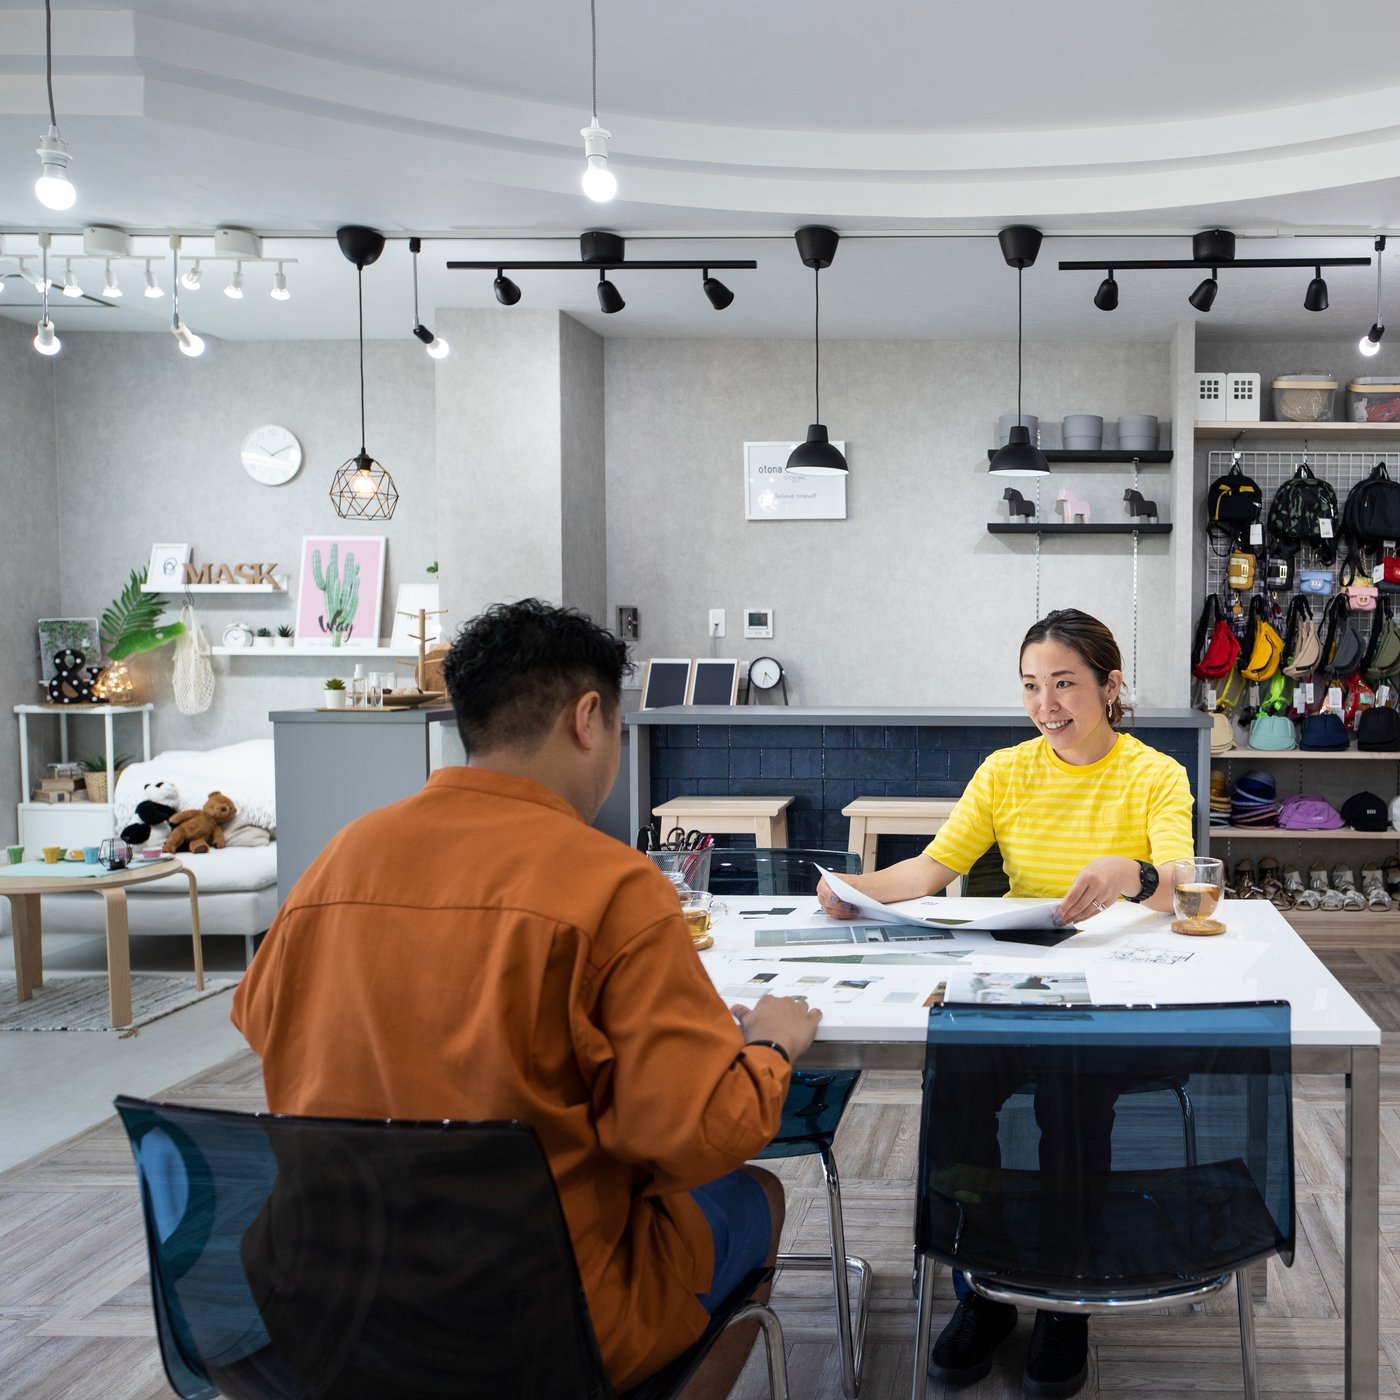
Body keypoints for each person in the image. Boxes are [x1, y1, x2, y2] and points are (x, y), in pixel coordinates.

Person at [232, 598, 820, 1398]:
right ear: (588, 718)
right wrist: (770, 1049)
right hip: (541, 1317)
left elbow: (263, 1024)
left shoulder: (343, 856)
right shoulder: (611, 882)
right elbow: (690, 1138)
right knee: (758, 1195)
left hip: (323, 1295)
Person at [818, 607, 1193, 1400]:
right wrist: (853, 891)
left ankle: (1064, 1296)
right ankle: (981, 1288)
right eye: (1031, 686)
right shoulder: (1004, 770)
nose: (1047, 704)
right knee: (955, 1094)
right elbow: (928, 869)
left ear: (1109, 686)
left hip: (1110, 996)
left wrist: (1130, 871)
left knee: (1072, 1104)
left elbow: (1182, 886)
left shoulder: (1154, 773)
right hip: (1017, 982)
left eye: (1064, 683)